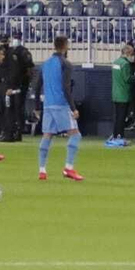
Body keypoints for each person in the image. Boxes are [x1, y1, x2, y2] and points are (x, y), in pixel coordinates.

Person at [33, 36, 85, 182]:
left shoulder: (45, 64)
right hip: (61, 104)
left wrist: (37, 107)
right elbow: (65, 87)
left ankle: (42, 170)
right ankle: (68, 168)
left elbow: (37, 87)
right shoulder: (65, 64)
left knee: (47, 135)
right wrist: (73, 108)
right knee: (75, 134)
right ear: (65, 46)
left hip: (48, 104)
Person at [0, 34, 33, 142]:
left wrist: (25, 84)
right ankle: (9, 131)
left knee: (18, 109)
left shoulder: (24, 52)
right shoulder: (8, 51)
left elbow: (29, 69)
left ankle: (18, 132)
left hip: (19, 85)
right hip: (8, 84)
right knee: (9, 108)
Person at [106, 43, 135, 148]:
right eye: (132, 53)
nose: (133, 56)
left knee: (118, 117)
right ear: (127, 53)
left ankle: (115, 135)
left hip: (116, 93)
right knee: (122, 117)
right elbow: (127, 79)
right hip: (123, 94)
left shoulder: (115, 62)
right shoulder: (125, 64)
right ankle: (119, 137)